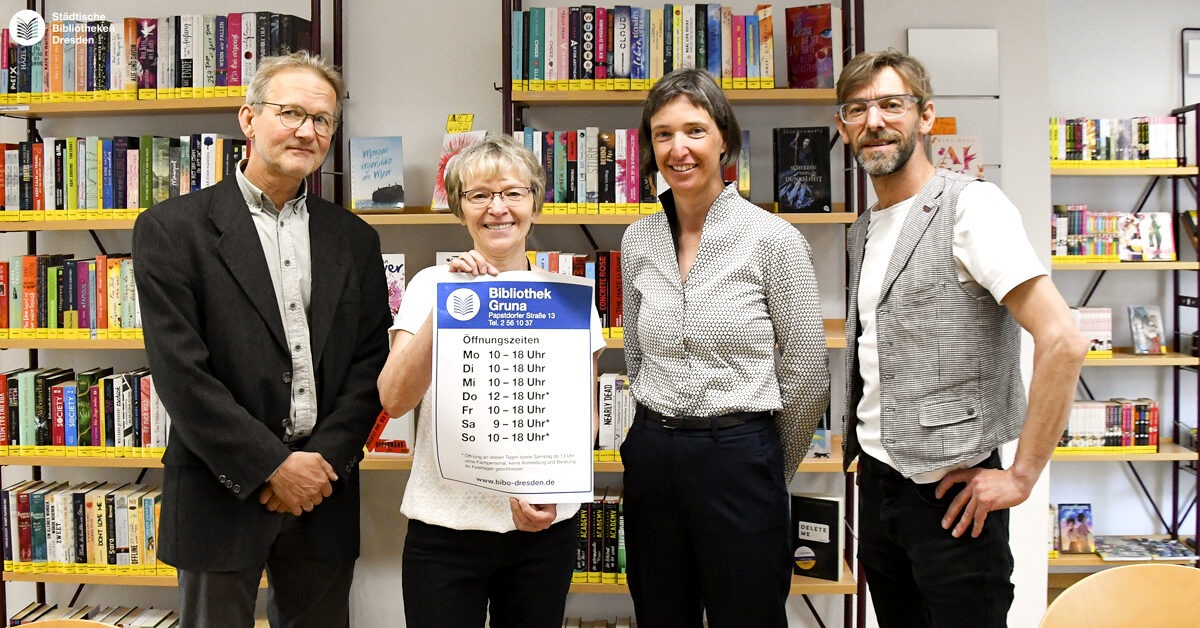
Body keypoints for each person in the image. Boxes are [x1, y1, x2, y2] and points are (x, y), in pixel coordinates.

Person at [132, 52, 391, 627]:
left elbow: (371, 362)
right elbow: (181, 374)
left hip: (324, 491)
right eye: (291, 112)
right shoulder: (172, 230)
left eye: (322, 120)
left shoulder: (354, 238)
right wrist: (273, 467)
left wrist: (318, 461)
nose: (307, 130)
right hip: (219, 490)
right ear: (248, 119)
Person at [835, 50, 1088, 627]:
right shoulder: (864, 230)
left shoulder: (973, 206)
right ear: (843, 127)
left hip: (954, 501)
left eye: (890, 104)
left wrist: (1022, 476)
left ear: (925, 117)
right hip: (877, 487)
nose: (873, 121)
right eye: (857, 109)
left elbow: (1063, 340)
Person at [620, 67, 830, 628]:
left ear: (724, 140)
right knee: (660, 613)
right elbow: (636, 355)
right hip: (653, 454)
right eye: (663, 134)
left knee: (749, 616)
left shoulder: (774, 239)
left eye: (694, 130)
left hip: (740, 455)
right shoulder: (637, 239)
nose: (678, 148)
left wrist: (764, 464)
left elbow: (809, 374)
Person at [377, 135, 606, 628]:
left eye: (512, 193)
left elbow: (582, 415)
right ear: (460, 210)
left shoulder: (566, 298)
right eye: (479, 195)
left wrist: (547, 489)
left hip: (541, 531)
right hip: (445, 531)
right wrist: (452, 304)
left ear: (534, 204)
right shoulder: (428, 287)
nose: (496, 208)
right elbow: (394, 400)